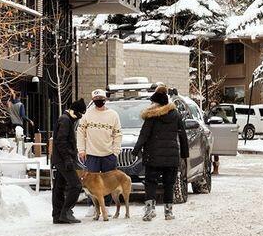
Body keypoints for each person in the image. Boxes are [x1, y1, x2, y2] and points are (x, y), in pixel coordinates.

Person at [134, 86, 189, 221]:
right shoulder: (175, 115)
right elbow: (182, 135)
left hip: (153, 156)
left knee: (151, 183)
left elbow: (144, 135)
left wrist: (136, 150)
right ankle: (168, 212)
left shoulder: (151, 116)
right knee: (169, 184)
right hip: (171, 157)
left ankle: (150, 210)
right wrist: (184, 153)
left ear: (156, 103)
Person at [50, 98, 87, 225]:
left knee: (59, 187)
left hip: (60, 159)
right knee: (76, 185)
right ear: (74, 111)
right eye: (80, 114)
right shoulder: (65, 120)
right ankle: (66, 212)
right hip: (63, 160)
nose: (80, 117)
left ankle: (58, 215)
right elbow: (61, 142)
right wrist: (67, 159)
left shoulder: (65, 119)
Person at [77, 89, 122, 178]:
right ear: (93, 100)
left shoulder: (113, 115)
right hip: (92, 156)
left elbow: (118, 134)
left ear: (105, 99)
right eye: (96, 98)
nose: (98, 100)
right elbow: (81, 132)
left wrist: (115, 152)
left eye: (101, 98)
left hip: (109, 155)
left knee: (109, 182)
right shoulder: (87, 114)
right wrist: (81, 150)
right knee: (92, 182)